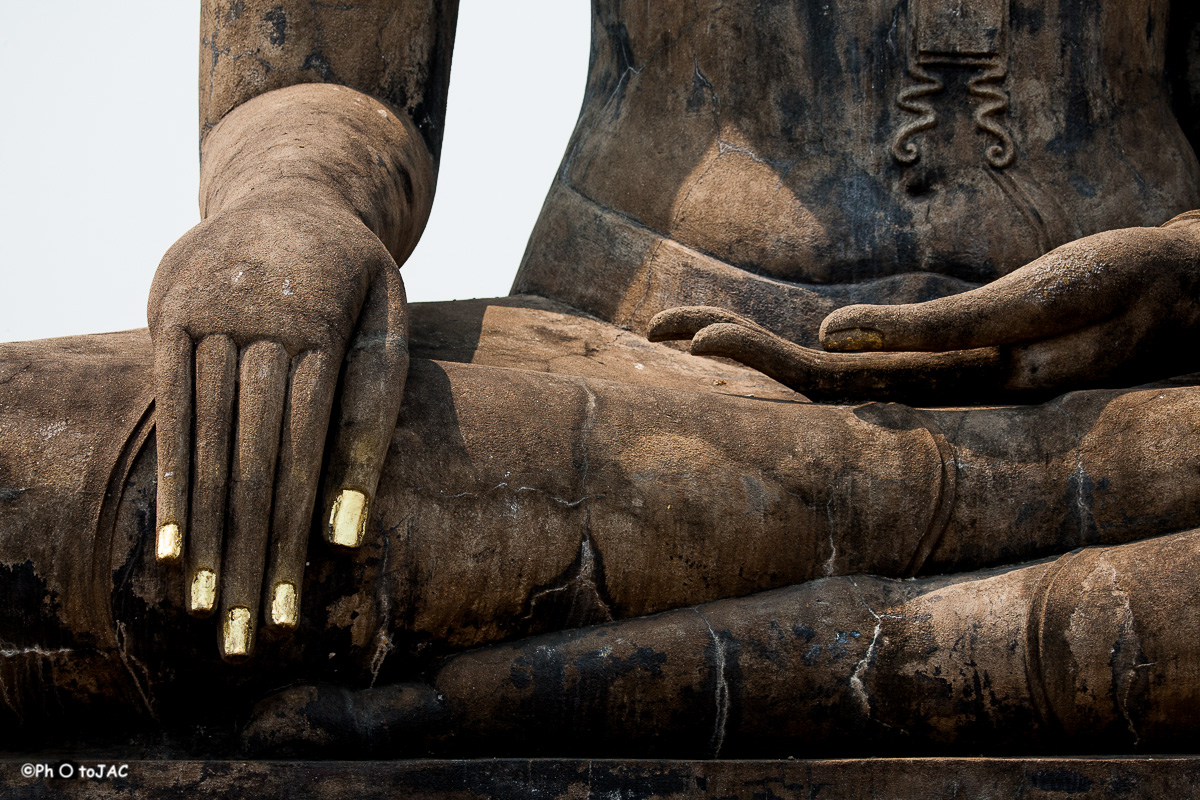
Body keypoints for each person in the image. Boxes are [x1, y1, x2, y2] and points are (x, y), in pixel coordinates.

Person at [4, 0, 1200, 754]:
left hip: (1149, 393)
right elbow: (326, 66)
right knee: (85, 477)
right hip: (650, 377)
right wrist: (290, 202)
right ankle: (1043, 568)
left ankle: (957, 552)